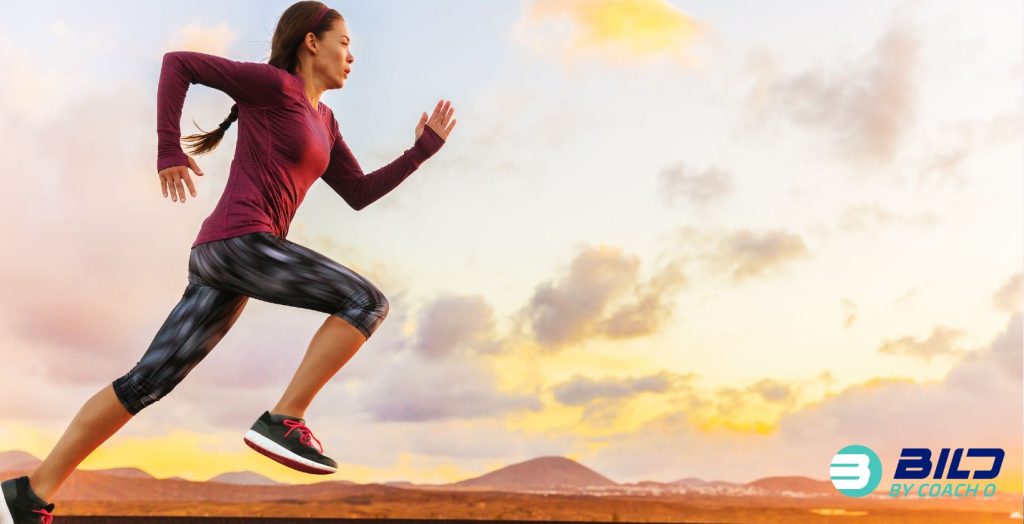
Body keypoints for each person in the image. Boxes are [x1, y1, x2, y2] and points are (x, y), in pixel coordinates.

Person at [1, 1, 455, 522]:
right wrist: (167, 149)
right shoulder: (273, 86)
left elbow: (356, 191)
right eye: (345, 42)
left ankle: (28, 496)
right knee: (366, 301)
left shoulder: (325, 122)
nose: (353, 55)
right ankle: (286, 417)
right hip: (240, 243)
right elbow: (178, 63)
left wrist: (421, 150)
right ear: (312, 42)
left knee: (147, 381)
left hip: (225, 258)